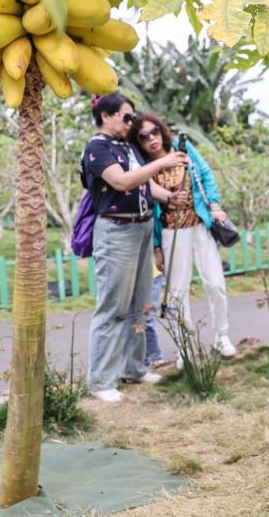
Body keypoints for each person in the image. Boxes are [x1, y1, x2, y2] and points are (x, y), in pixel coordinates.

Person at [82, 93, 190, 403]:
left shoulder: (127, 146)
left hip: (142, 227)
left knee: (141, 305)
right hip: (116, 232)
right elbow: (122, 182)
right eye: (126, 117)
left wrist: (169, 197)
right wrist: (163, 163)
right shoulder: (97, 148)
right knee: (113, 307)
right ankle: (101, 381)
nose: (131, 123)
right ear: (106, 116)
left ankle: (134, 368)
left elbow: (145, 185)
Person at [129, 113, 236, 363]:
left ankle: (222, 336)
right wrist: (157, 247)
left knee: (216, 283)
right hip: (171, 232)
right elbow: (149, 206)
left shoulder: (182, 149)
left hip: (200, 225)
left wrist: (215, 205)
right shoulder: (144, 165)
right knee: (177, 291)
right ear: (138, 142)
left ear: (161, 130)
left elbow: (206, 175)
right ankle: (184, 346)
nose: (151, 138)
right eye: (143, 136)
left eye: (154, 131)